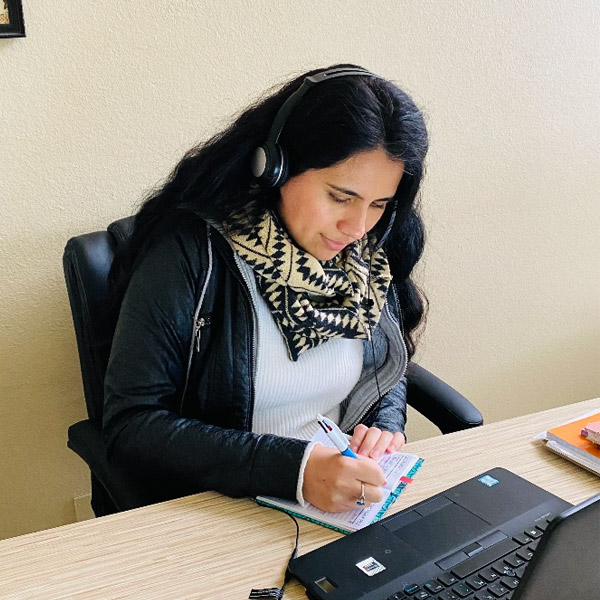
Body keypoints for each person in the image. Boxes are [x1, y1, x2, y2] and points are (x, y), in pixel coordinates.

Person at [103, 64, 428, 514]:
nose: (356, 226)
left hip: (335, 500)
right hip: (217, 505)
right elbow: (131, 426)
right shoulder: (192, 251)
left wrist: (385, 424)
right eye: (339, 196)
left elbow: (383, 359)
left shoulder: (366, 255)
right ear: (275, 167)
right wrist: (294, 469)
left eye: (378, 204)